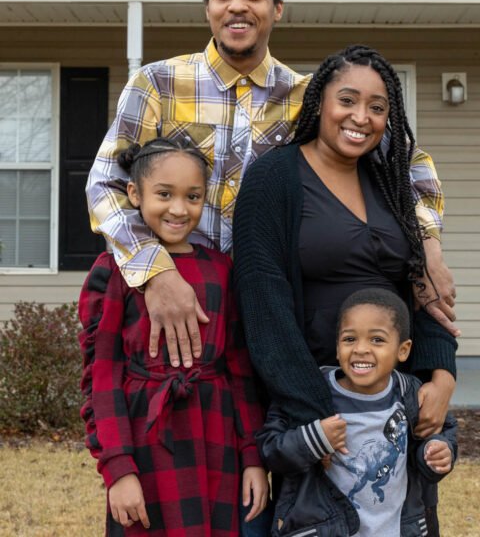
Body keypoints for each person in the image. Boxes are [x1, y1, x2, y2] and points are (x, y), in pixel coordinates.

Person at [86, 0, 458, 378]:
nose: (237, 7)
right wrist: (156, 273)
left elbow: (410, 167)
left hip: (270, 309)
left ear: (277, 8)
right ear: (207, 7)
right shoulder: (158, 83)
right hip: (180, 297)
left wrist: (428, 245)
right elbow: (107, 185)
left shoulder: (310, 98)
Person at [232, 45, 457, 535]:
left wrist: (441, 376)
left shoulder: (390, 181)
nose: (362, 118)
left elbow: (419, 290)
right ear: (319, 103)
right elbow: (263, 310)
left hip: (392, 400)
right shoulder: (274, 180)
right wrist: (325, 412)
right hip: (314, 413)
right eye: (348, 101)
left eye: (378, 108)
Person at [79, 138, 268, 536]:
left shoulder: (222, 269)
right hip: (145, 435)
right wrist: (118, 468)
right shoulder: (117, 270)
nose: (179, 209)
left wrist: (252, 455)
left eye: (193, 196)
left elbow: (239, 370)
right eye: (164, 194)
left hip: (216, 436)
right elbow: (103, 375)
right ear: (134, 193)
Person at [257, 288, 457, 537]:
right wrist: (315, 439)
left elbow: (441, 432)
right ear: (337, 346)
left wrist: (438, 451)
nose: (361, 349)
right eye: (350, 339)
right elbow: (271, 450)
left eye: (377, 340)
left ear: (403, 350)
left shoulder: (408, 394)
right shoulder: (309, 391)